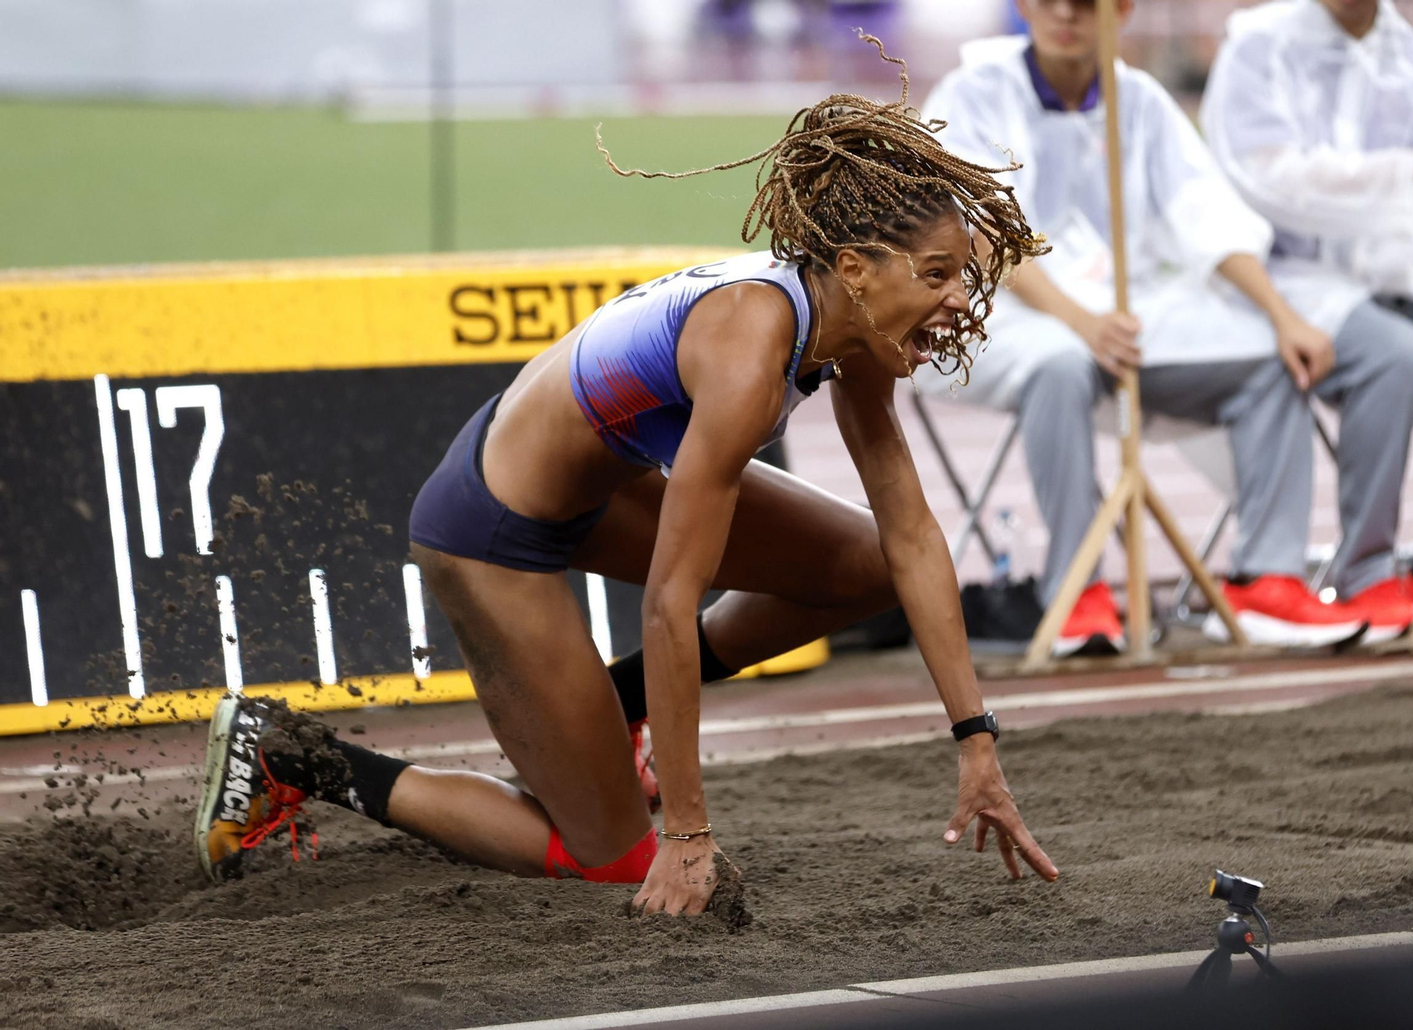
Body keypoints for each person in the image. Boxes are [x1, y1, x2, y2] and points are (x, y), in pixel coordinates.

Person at [194, 45, 1060, 916]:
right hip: (495, 532)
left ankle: (618, 710)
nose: (961, 300)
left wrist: (976, 743)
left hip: (603, 489)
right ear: (857, 267)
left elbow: (912, 540)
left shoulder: (859, 335)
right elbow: (672, 603)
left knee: (870, 567)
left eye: (963, 276)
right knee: (607, 857)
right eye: (938, 274)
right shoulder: (748, 347)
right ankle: (293, 756)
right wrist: (687, 833)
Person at [922, 0, 1376, 654]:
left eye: (1083, 2)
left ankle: (1267, 579)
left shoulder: (1141, 101)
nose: (1063, 15)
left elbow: (1206, 214)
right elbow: (987, 232)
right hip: (1000, 311)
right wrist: (1081, 323)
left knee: (1272, 359)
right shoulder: (973, 92)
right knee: (1059, 363)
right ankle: (1076, 588)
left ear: (1120, 10)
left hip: (1122, 306)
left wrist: (1283, 316)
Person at [1202, 0, 1413, 638]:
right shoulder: (1259, 45)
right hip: (1286, 284)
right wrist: (1408, 169)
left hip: (1390, 283)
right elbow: (1265, 178)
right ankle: (1366, 570)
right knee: (1392, 351)